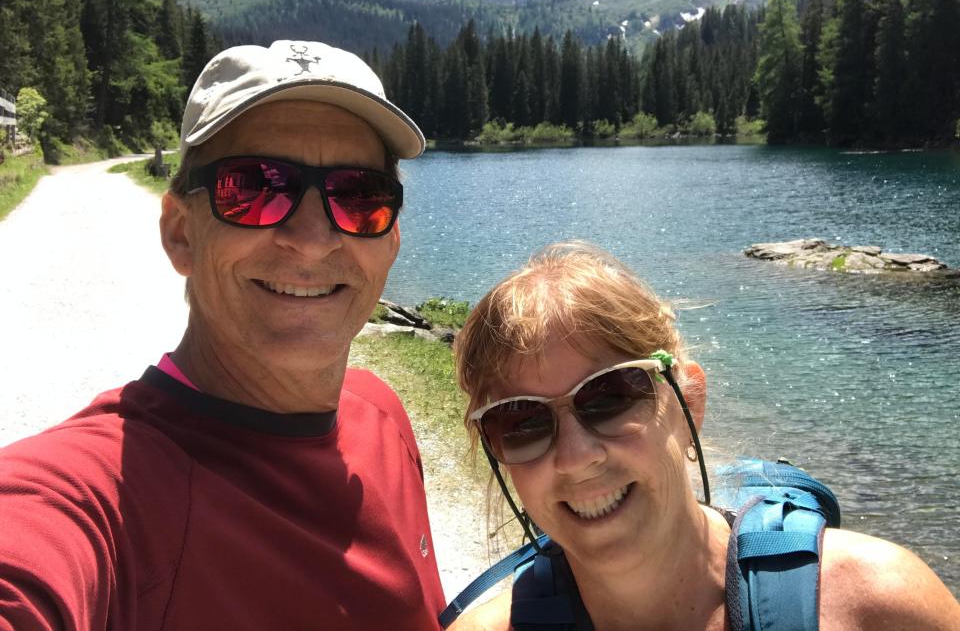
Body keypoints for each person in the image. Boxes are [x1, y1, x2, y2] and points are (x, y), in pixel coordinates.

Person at [0, 40, 446, 630]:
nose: (312, 239)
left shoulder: (382, 416)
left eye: (359, 197)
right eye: (257, 188)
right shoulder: (96, 501)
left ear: (390, 243)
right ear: (181, 232)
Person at [450, 241, 960, 631]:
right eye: (521, 422)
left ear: (688, 400)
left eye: (609, 396)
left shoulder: (878, 604)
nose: (576, 457)